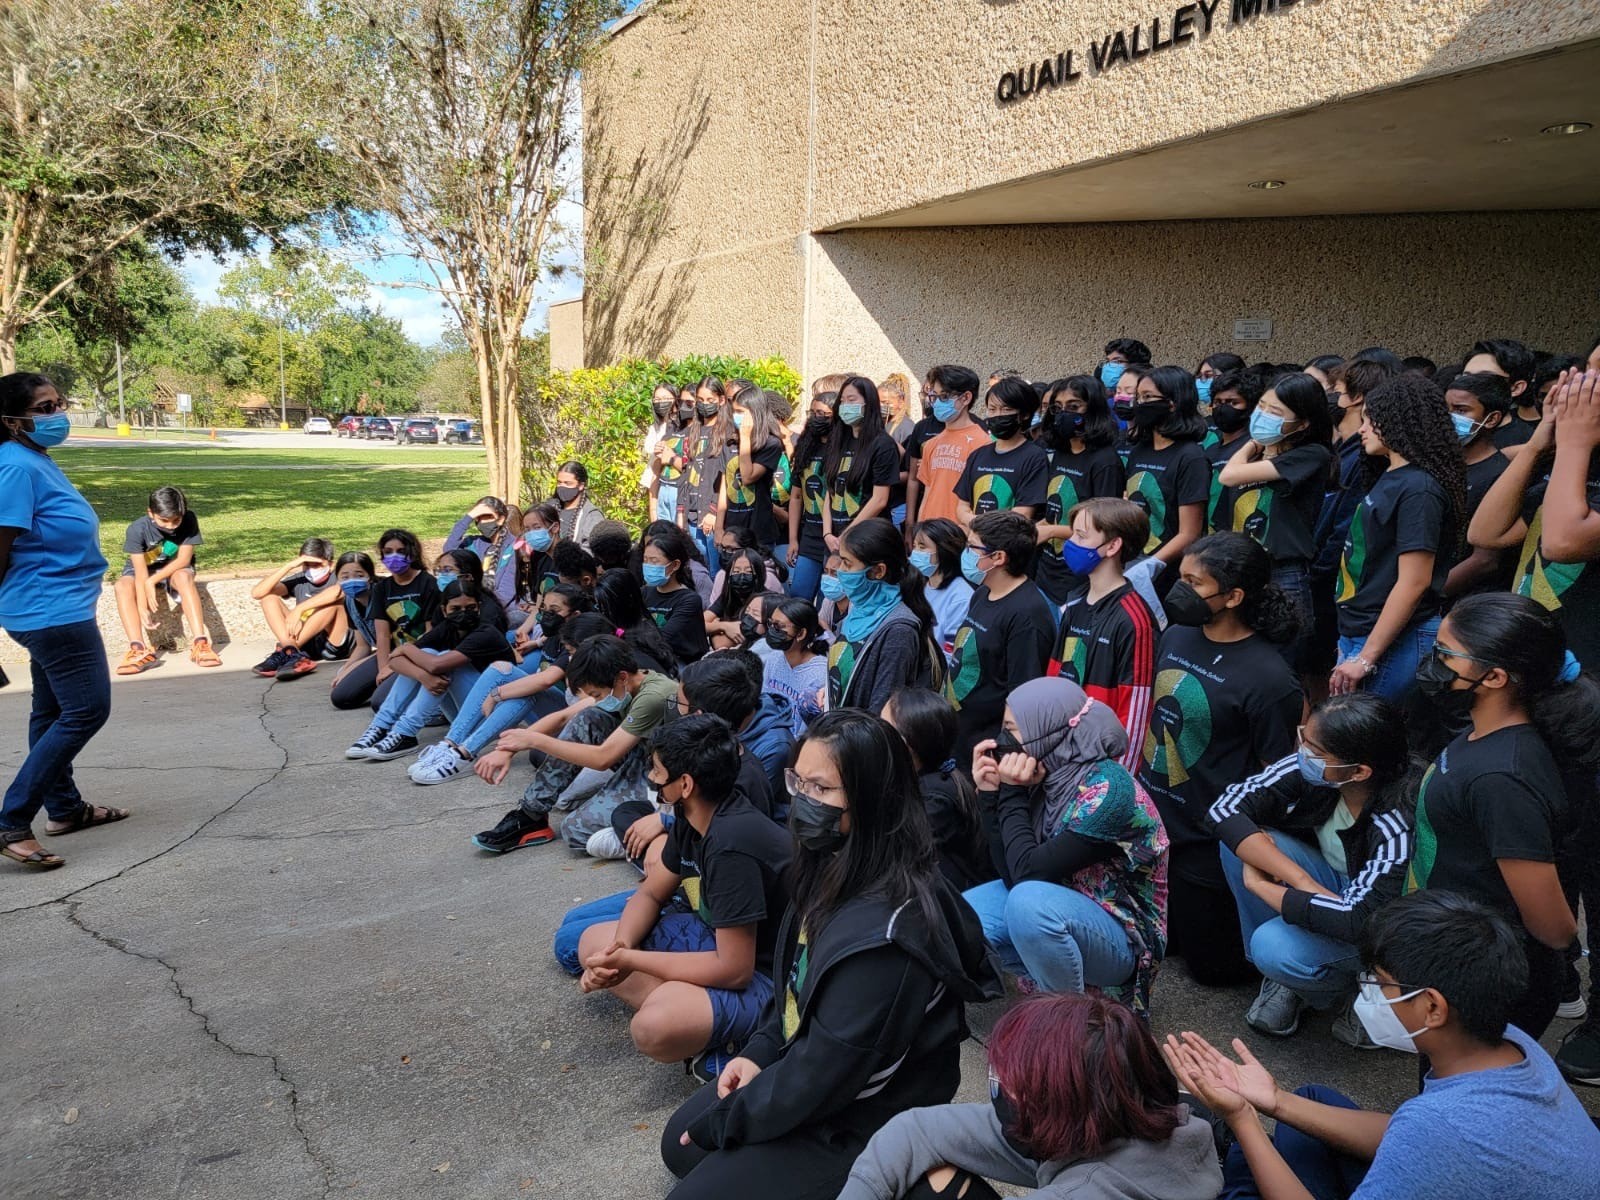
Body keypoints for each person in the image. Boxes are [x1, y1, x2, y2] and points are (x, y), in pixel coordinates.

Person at [659, 709, 1004, 1199]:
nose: (802, 800)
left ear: (871, 799)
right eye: (797, 782)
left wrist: (731, 1118)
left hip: (863, 1118)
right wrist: (759, 1053)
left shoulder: (887, 937)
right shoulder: (830, 863)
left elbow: (821, 1076)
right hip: (818, 1075)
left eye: (820, 788)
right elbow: (793, 987)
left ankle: (919, 1180)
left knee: (700, 1162)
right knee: (680, 1146)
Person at [1163, 892, 1600, 1200]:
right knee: (1307, 1103)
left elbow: (1427, 1136)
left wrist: (1242, 1118)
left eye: (1382, 982)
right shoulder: (1512, 1044)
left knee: (1246, 1177)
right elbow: (1405, 1136)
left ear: (1432, 1007)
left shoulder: (1442, 1127)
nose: (1369, 991)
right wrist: (1274, 1101)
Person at [1405, 592, 1596, 1039]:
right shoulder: (1485, 734)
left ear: (1494, 677)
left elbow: (1555, 929)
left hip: (1487, 989)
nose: (1434, 664)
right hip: (1455, 957)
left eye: (1446, 654)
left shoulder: (1503, 779)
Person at [838, 992, 1222, 1200]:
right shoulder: (1122, 1115)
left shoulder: (1084, 1190)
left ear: (1060, 1108)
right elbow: (915, 1132)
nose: (999, 1088)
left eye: (1012, 1086)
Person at [575, 715, 793, 1079]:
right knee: (593, 943)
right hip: (720, 941)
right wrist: (620, 949)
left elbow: (735, 970)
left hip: (770, 974)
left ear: (685, 783)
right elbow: (650, 893)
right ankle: (703, 1023)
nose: (652, 779)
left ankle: (737, 1040)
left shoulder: (730, 845)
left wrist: (632, 961)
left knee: (653, 1028)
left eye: (657, 772)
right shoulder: (692, 817)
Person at [1139, 533, 1301, 987]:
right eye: (1182, 577)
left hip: (1205, 841)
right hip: (1153, 822)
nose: (1181, 590)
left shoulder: (1270, 679)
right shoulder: (1177, 635)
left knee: (1210, 971)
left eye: (1195, 583)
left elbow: (1275, 775)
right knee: (1157, 942)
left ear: (1234, 597)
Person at [1207, 693, 1417, 1042]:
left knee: (1272, 945)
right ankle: (1289, 980)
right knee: (1241, 845)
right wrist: (1300, 880)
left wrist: (1261, 885)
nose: (1303, 753)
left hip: (1381, 925)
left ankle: (1371, 985)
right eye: (1304, 738)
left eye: (1315, 750)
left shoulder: (1396, 823)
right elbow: (1224, 809)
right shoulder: (1324, 773)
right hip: (1330, 886)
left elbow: (1359, 921)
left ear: (1360, 771)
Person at [963, 678, 1169, 1015]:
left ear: (1047, 730)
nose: (1002, 741)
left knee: (1028, 905)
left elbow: (1026, 874)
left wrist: (1012, 793)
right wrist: (989, 794)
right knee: (965, 916)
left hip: (1122, 935)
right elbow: (1012, 872)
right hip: (1060, 902)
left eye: (1012, 729)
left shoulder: (1109, 794)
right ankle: (1058, 986)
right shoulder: (1049, 771)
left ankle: (1067, 1024)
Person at [0, 372, 119, 871]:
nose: (59, 415)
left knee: (51, 712)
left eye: (59, 403)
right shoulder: (14, 467)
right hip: (51, 612)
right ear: (13, 421)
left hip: (59, 606)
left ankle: (65, 809)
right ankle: (11, 821)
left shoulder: (33, 458)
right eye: (45, 408)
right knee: (87, 710)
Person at [473, 634, 680, 853]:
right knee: (588, 717)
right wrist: (507, 749)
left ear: (622, 677)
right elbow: (563, 718)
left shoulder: (653, 696)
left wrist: (534, 740)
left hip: (667, 776)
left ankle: (668, 832)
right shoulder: (624, 683)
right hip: (643, 758)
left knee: (576, 831)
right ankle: (530, 816)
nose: (597, 700)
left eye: (596, 694)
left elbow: (603, 758)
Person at [1330, 373, 1466, 702]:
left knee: (1365, 728)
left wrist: (1366, 657)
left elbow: (1414, 582)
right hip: (1361, 630)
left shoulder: (1420, 488)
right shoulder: (1393, 474)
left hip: (1389, 638)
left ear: (1397, 421)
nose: (1362, 429)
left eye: (1370, 420)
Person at [407, 592, 598, 786]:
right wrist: (534, 643)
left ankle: (463, 754)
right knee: (500, 668)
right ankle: (450, 744)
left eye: (554, 610)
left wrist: (497, 694)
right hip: (550, 712)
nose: (546, 615)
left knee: (525, 691)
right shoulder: (554, 636)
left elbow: (545, 681)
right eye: (543, 609)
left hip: (570, 719)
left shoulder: (580, 646)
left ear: (574, 615)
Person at [1218, 371, 1334, 670]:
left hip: (1283, 573)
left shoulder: (1311, 455)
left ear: (1303, 423)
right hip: (1243, 569)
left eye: (1276, 412)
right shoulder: (1257, 456)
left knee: (1280, 665)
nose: (1263, 416)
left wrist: (1252, 444)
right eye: (1262, 406)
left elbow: (1228, 476)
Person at [343, 577, 514, 761]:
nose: (464, 614)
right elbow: (394, 661)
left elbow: (435, 665)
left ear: (479, 607)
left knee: (441, 658)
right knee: (426, 653)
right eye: (456, 609)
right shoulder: (447, 628)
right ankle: (380, 726)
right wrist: (423, 676)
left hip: (493, 713)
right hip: (464, 711)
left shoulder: (486, 632)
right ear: (444, 610)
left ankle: (405, 732)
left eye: (470, 608)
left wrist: (406, 648)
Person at [1307, 354, 1397, 703]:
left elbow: (1345, 529)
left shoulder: (1364, 458)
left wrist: (1317, 574)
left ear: (1357, 398)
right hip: (1324, 583)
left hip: (1332, 589)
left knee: (1324, 682)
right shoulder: (1341, 449)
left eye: (1337, 390)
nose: (1332, 398)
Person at [1048, 498, 1156, 770]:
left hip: (1100, 767)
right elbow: (1054, 676)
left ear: (1112, 546)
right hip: (1060, 754)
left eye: (1081, 536)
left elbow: (1135, 713)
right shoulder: (1073, 603)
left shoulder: (1134, 619)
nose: (1071, 543)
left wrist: (1118, 782)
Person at [945, 510, 1056, 756]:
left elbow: (1022, 697)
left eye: (972, 547)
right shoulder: (983, 592)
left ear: (998, 557)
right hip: (957, 734)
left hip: (984, 749)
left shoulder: (1028, 616)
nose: (965, 553)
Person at [828, 519, 945, 713]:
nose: (841, 571)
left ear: (878, 571)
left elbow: (881, 713)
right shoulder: (861, 606)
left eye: (847, 564)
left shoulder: (899, 631)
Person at [882, 688, 992, 891]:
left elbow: (897, 854)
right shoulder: (922, 778)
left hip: (958, 896)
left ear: (906, 745)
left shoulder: (935, 799)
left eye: (883, 728)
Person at [1034, 374, 1125, 604]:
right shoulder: (1061, 452)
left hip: (1081, 573)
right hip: (1048, 567)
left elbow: (1105, 526)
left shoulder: (1105, 461)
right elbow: (1056, 509)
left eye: (1074, 407)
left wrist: (1052, 531)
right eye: (1057, 408)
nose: (1064, 413)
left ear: (1092, 409)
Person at [112, 484, 221, 672]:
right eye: (164, 520)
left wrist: (152, 581)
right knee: (122, 586)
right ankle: (137, 649)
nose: (171, 526)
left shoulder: (189, 519)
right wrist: (142, 606)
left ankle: (200, 643)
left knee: (184, 578)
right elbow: (140, 573)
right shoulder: (136, 529)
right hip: (143, 570)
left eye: (176, 520)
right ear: (150, 513)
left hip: (175, 567)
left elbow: (184, 559)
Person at [1122, 366, 1209, 594]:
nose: (1139, 404)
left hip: (1167, 572)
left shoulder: (1191, 457)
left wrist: (1150, 566)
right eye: (1138, 397)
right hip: (1131, 559)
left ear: (1173, 403)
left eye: (1148, 397)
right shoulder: (1139, 450)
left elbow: (1189, 533)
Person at [1441, 371, 1515, 598]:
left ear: (1491, 419)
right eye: (1446, 408)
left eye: (1461, 410)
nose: (1449, 417)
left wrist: (1422, 595)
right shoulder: (1440, 464)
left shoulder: (1501, 475)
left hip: (1455, 600)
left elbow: (1485, 560)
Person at [822, 376, 900, 561]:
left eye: (852, 400)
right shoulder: (839, 441)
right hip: (833, 539)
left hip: (866, 539)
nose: (845, 406)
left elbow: (879, 500)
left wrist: (846, 534)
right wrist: (827, 533)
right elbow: (831, 491)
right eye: (842, 401)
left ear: (868, 403)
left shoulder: (883, 444)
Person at [955, 376, 1049, 524]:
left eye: (1006, 409)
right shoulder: (977, 455)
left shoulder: (1035, 457)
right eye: (992, 409)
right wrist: (975, 523)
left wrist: (982, 526)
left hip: (1009, 538)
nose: (998, 415)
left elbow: (1023, 514)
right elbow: (962, 507)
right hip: (975, 536)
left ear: (1024, 414)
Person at [248, 537, 342, 679]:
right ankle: (292, 652)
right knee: (268, 598)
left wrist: (299, 610)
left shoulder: (340, 576)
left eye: (316, 565)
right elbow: (257, 593)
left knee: (331, 605)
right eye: (306, 565)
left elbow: (337, 593)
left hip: (334, 641)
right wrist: (288, 566)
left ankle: (286, 651)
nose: (311, 570)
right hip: (304, 642)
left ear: (330, 564)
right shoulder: (301, 579)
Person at [914, 365, 990, 526]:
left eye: (944, 396)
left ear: (966, 398)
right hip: (929, 531)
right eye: (934, 396)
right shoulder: (932, 443)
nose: (937, 403)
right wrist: (919, 529)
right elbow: (928, 493)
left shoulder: (983, 443)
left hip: (959, 532)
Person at [718, 383, 787, 551]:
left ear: (755, 412)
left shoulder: (771, 444)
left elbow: (748, 477)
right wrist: (719, 527)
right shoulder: (730, 442)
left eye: (741, 412)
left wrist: (745, 438)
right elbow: (724, 487)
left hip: (758, 530)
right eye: (734, 411)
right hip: (732, 527)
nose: (736, 416)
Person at [785, 390, 836, 602]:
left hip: (834, 537)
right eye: (813, 412)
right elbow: (796, 497)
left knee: (828, 600)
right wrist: (793, 539)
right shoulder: (806, 447)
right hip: (809, 535)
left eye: (822, 413)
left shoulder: (841, 449)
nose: (816, 418)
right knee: (798, 595)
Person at [1202, 371, 1262, 537]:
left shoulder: (1254, 449)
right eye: (1218, 402)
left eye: (1233, 402)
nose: (1223, 408)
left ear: (1250, 406)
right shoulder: (1210, 450)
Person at [682, 378, 732, 573]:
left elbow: (726, 478)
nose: (705, 405)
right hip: (692, 513)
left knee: (715, 571)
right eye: (700, 400)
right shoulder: (693, 431)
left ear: (721, 400)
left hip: (712, 515)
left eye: (710, 400)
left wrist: (713, 511)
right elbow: (688, 473)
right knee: (698, 571)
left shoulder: (727, 432)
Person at [642, 523, 710, 664]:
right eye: (645, 560)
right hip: (655, 657)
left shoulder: (689, 600)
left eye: (654, 561)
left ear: (675, 565)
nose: (648, 566)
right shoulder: (644, 592)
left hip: (684, 662)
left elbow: (663, 638)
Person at [907, 517, 974, 657]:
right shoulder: (920, 585)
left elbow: (952, 655)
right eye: (914, 546)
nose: (915, 553)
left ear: (944, 551)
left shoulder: (961, 597)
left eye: (922, 547)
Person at [443, 495, 522, 613]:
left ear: (500, 519)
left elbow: (506, 592)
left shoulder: (515, 547)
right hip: (471, 606)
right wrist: (468, 517)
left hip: (503, 611)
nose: (481, 522)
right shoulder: (473, 543)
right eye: (478, 518)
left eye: (487, 517)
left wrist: (483, 610)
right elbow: (449, 550)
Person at [761, 598, 827, 734]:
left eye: (779, 626)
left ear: (801, 634)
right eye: (771, 624)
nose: (772, 630)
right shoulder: (774, 658)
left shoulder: (820, 673)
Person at [1461, 337, 1539, 450]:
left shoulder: (1526, 444)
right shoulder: (1449, 426)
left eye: (1484, 377)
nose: (1470, 384)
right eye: (1466, 377)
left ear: (1516, 388)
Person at [328, 552, 381, 709]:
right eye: (345, 577)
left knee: (344, 695)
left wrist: (351, 669)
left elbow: (390, 646)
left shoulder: (381, 595)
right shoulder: (349, 602)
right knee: (342, 681)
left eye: (359, 575)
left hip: (393, 653)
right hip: (378, 654)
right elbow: (363, 646)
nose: (352, 581)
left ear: (370, 576)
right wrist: (346, 669)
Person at [704, 546, 768, 652]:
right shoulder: (729, 595)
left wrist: (713, 628)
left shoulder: (763, 601)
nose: (741, 576)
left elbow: (720, 643)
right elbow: (699, 623)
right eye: (736, 571)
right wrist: (724, 626)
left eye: (748, 572)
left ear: (759, 575)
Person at [651, 384, 696, 523]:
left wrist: (672, 458)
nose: (683, 406)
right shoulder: (674, 426)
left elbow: (697, 471)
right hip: (663, 489)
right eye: (680, 402)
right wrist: (659, 452)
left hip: (681, 491)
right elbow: (657, 467)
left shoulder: (701, 432)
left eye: (689, 403)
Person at [553, 460, 605, 550]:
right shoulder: (550, 508)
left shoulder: (591, 515)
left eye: (567, 483)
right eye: (559, 482)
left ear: (581, 485)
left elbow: (589, 551)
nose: (562, 486)